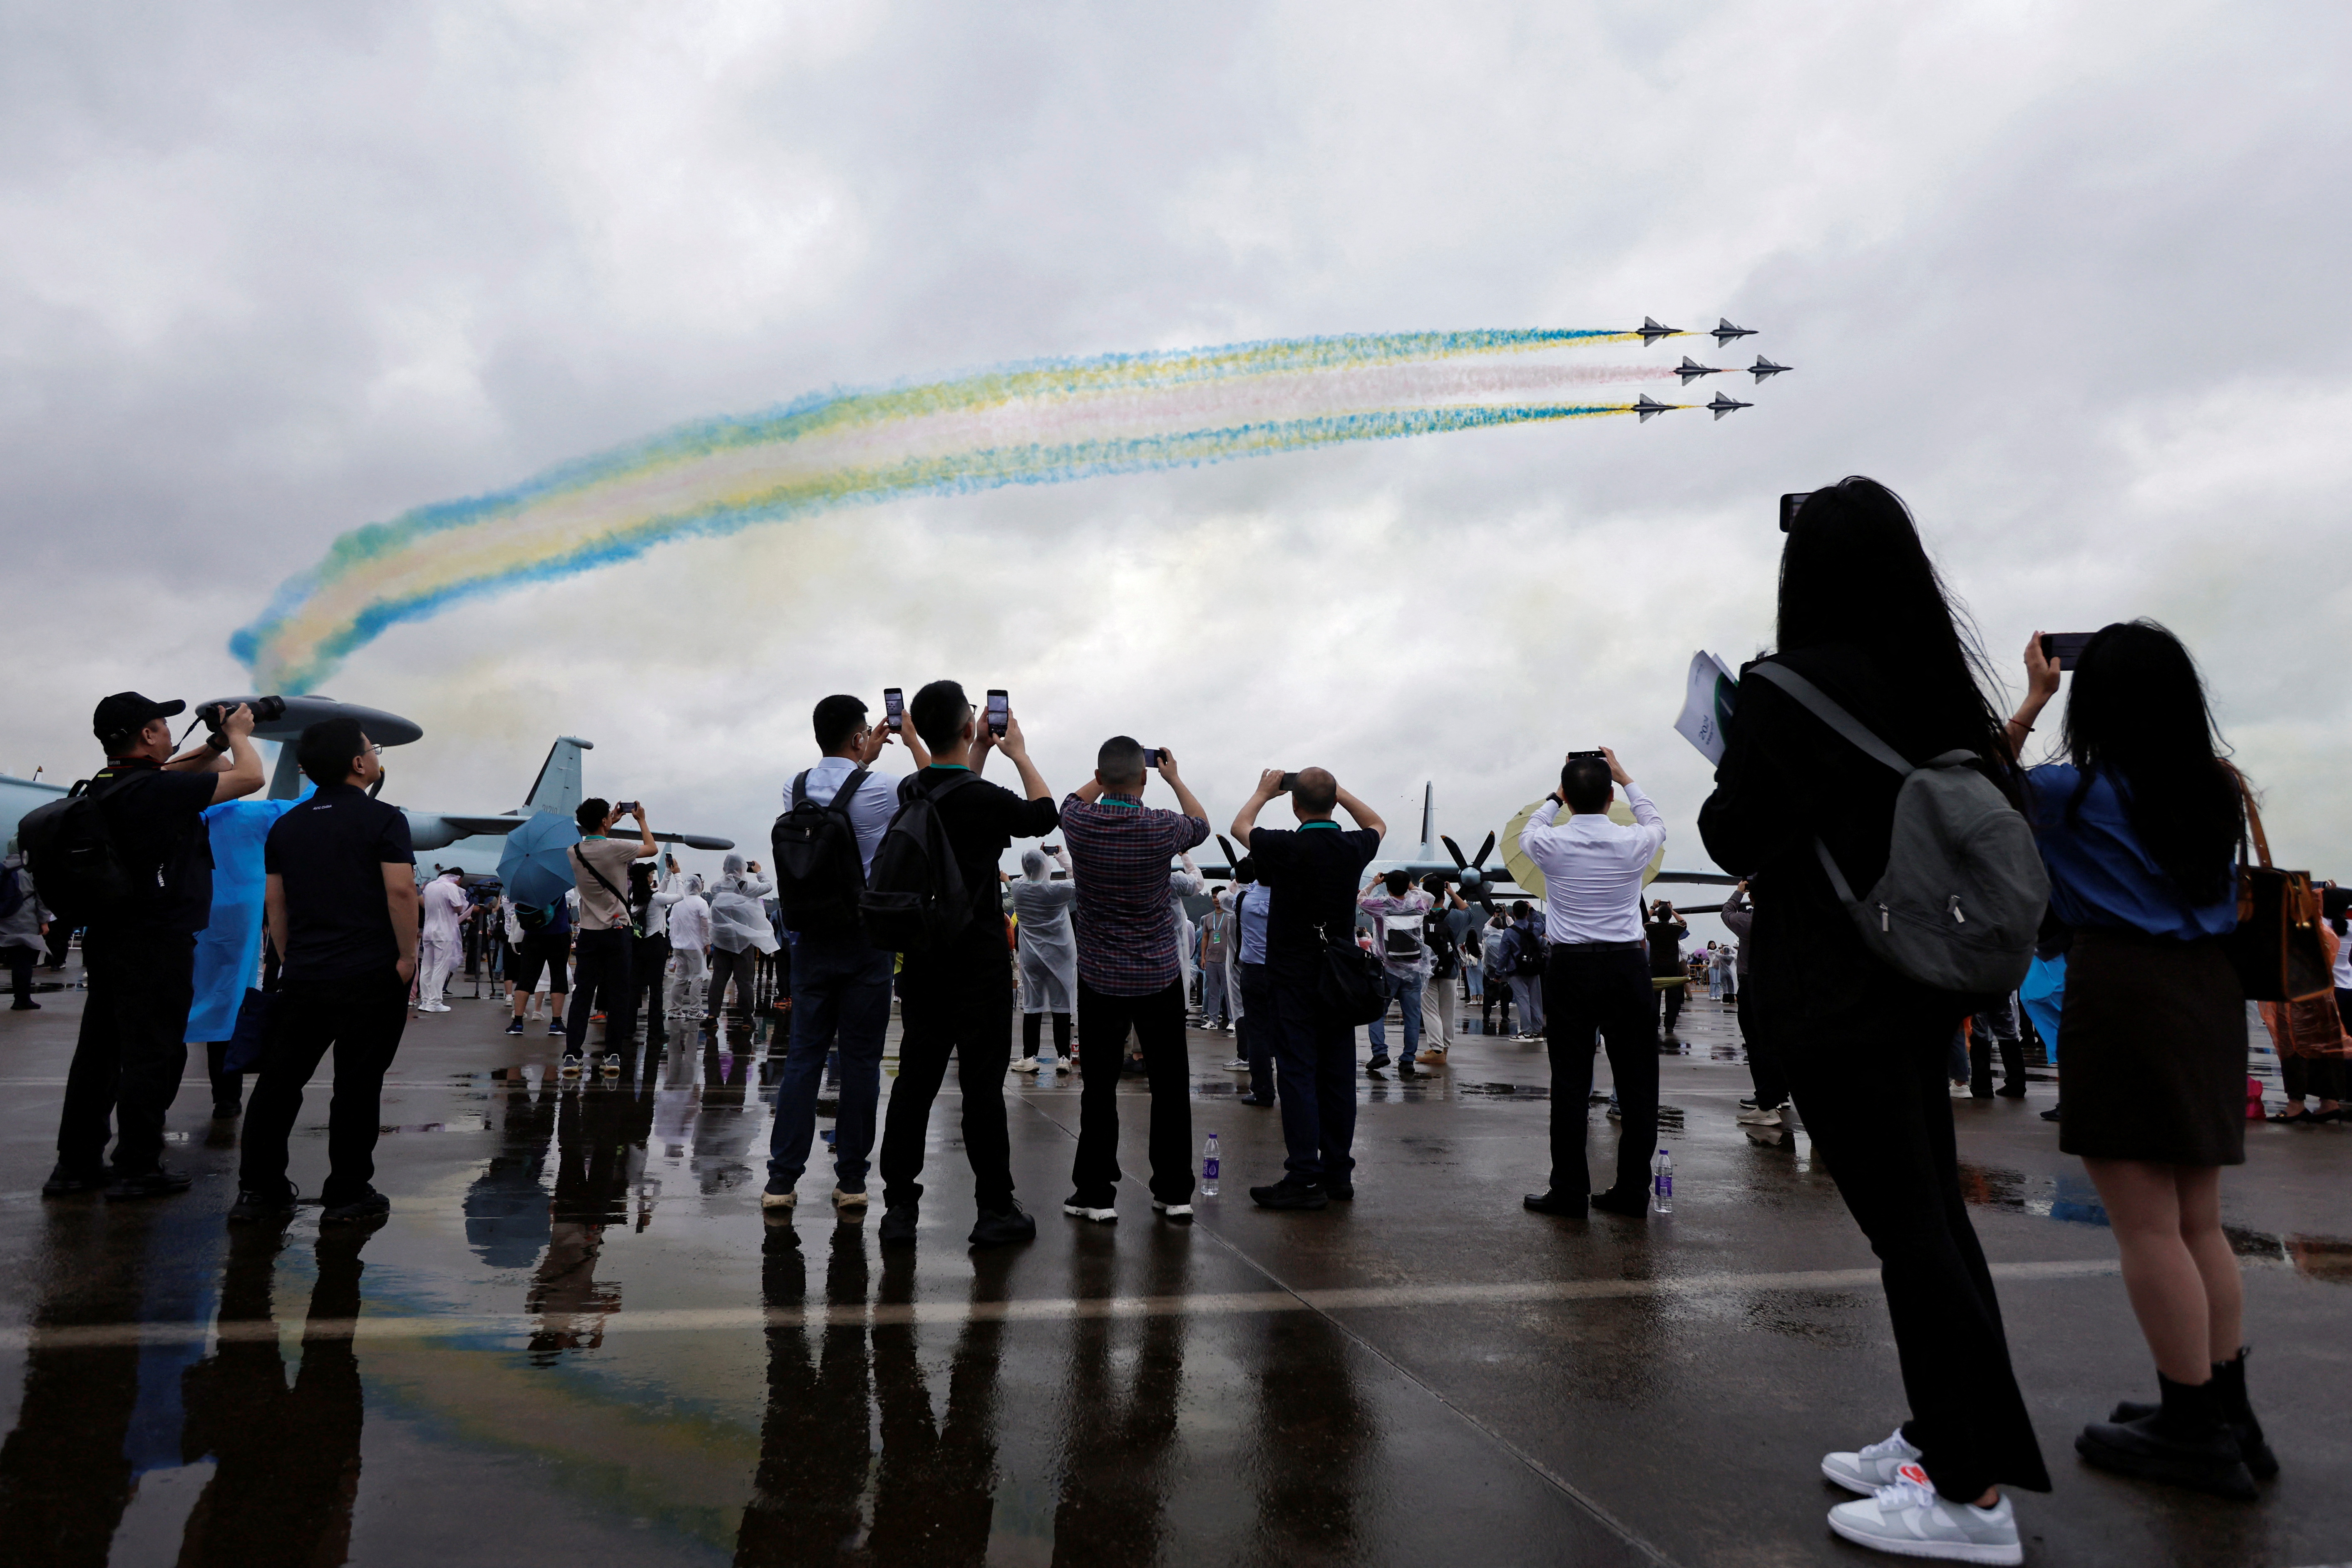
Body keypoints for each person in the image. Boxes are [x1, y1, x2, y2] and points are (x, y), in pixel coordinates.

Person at [1699, 477, 2047, 1562]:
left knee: (1909, 1232)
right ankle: (1947, 1433)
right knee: (1930, 1213)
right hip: (1919, 978)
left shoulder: (1783, 687)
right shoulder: (1934, 679)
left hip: (1836, 985)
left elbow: (1730, 832)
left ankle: (1966, 1492)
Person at [2009, 620, 2270, 1499]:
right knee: (2198, 1220)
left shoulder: (2066, 791)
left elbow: (1970, 782)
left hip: (2121, 987)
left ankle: (2189, 1422)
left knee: (2145, 1226)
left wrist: (2034, 696)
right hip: (2205, 993)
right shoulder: (2215, 788)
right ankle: (2224, 1409)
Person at [45, 693, 265, 1199]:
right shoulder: (157, 792)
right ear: (146, 735)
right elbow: (249, 777)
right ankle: (138, 1165)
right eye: (162, 726)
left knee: (98, 1053)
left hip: (111, 936)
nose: (169, 733)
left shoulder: (105, 785)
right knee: (152, 1053)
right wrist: (238, 737)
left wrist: (211, 740)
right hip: (156, 940)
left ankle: (75, 1165)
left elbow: (173, 768)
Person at [875, 681, 1059, 1249]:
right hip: (977, 958)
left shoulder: (910, 788)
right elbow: (1043, 815)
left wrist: (970, 748)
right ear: (966, 727)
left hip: (924, 956)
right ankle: (993, 1208)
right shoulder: (984, 800)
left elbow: (947, 785)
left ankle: (900, 1207)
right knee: (981, 1086)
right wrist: (1017, 750)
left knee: (915, 1081)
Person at [231, 716, 417, 1225]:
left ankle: (259, 1189)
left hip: (306, 975)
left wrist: (293, 959)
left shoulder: (286, 824)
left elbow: (277, 902)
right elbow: (400, 891)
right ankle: (347, 1192)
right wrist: (407, 957)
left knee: (278, 1083)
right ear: (359, 764)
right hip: (371, 974)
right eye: (371, 748)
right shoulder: (385, 819)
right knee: (357, 1085)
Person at [1058, 738, 1212, 1224]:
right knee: (1170, 1085)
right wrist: (1171, 777)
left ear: (1100, 778)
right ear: (1143, 780)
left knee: (1098, 1088)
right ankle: (1173, 1190)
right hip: (1158, 973)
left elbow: (1071, 801)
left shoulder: (1079, 823)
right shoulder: (1163, 826)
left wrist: (1103, 778)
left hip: (1101, 976)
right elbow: (1202, 824)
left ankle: (1096, 1192)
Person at [764, 694, 907, 1215]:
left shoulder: (793, 787)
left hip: (810, 940)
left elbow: (835, 792)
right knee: (861, 1061)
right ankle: (850, 1178)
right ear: (858, 736)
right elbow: (915, 798)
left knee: (804, 1056)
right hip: (866, 937)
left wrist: (857, 754)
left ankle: (781, 1180)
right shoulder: (883, 789)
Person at [1516, 748, 1667, 1220]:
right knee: (1638, 1082)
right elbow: (1654, 819)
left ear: (1567, 797)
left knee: (1569, 1082)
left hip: (1571, 968)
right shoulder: (1635, 842)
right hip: (1626, 966)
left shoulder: (1548, 844)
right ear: (1608, 797)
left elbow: (1530, 829)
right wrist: (1625, 777)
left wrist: (1554, 796)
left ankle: (1567, 1190)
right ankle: (1632, 1190)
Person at [1232, 767, 1385, 1210]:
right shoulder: (1351, 846)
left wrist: (1263, 791)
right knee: (1338, 1073)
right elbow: (1377, 823)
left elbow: (1240, 826)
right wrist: (1339, 793)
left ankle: (1303, 1174)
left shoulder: (1284, 845)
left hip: (1291, 977)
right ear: (1334, 804)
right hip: (1337, 977)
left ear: (1295, 805)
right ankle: (1338, 1172)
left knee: (1298, 1072)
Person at [564, 799, 655, 1077]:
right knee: (618, 994)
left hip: (589, 933)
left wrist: (606, 823)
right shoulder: (617, 848)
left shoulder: (574, 851)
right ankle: (612, 1055)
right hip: (617, 931)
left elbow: (596, 840)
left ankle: (572, 1055)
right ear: (605, 820)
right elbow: (651, 848)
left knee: (582, 994)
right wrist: (640, 819)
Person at [1720, 882, 1790, 1127]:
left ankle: (1767, 1105)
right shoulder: (1786, 916)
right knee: (1775, 1042)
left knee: (1756, 1043)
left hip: (1754, 984)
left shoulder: (1752, 922)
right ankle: (1779, 1096)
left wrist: (1739, 891)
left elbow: (1727, 913)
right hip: (1780, 984)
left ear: (1752, 895)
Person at [1358, 870, 1434, 1075]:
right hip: (1413, 968)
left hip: (1388, 969)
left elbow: (1361, 899)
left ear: (1388, 887)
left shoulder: (1383, 906)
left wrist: (1373, 884)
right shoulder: (1419, 905)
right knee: (1412, 1017)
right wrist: (1411, 886)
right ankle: (1408, 1059)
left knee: (1377, 1013)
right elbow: (1430, 897)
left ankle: (1380, 1053)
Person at [1009, 845, 1077, 1071]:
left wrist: (1035, 862)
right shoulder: (1059, 891)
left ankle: (1029, 1057)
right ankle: (1064, 1058)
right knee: (1062, 1005)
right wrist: (1061, 856)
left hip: (1032, 957)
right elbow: (1078, 879)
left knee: (1032, 1006)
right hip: (1060, 956)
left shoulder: (1018, 888)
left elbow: (1025, 876)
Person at [705, 852, 778, 1026]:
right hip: (743, 943)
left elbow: (725, 890)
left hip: (722, 942)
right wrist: (759, 871)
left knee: (719, 979)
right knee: (744, 982)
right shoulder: (747, 887)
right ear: (742, 869)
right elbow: (768, 886)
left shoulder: (716, 887)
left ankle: (713, 1016)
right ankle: (747, 1019)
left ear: (724, 869)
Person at [1229, 857, 1277, 1105]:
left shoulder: (1243, 900)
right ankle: (1293, 1092)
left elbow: (1240, 886)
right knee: (1288, 1032)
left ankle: (1263, 1091)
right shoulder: (1288, 900)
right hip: (1283, 973)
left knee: (1256, 1034)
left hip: (1254, 972)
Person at [505, 880, 572, 1038]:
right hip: (559, 934)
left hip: (533, 935)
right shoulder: (558, 882)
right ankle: (556, 1023)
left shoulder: (525, 884)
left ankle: (518, 1023)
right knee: (558, 977)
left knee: (526, 978)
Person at [415, 868, 474, 1014]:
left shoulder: (430, 886)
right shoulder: (451, 887)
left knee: (427, 967)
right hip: (444, 932)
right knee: (441, 967)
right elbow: (458, 908)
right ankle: (435, 1002)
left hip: (429, 930)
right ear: (458, 878)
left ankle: (425, 1000)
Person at [2, 848, 52, 1009]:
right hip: (25, 922)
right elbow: (42, 898)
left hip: (3, 921)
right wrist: (44, 921)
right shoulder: (31, 870)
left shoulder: (2, 867)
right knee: (22, 963)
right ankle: (22, 1000)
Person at [666, 875, 712, 1018]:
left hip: (679, 945)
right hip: (695, 946)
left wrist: (674, 943)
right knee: (697, 977)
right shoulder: (701, 903)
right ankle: (694, 1010)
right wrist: (707, 943)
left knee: (680, 978)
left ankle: (675, 1009)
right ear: (699, 886)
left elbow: (672, 924)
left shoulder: (678, 903)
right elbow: (705, 926)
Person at [1646, 899, 1689, 1043]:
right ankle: (1670, 1025)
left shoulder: (1652, 927)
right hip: (1672, 966)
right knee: (1673, 997)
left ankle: (1654, 1022)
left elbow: (1644, 920)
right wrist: (1672, 910)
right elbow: (1683, 922)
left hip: (1656, 965)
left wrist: (1653, 907)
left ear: (1658, 916)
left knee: (1654, 997)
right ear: (1670, 916)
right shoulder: (1675, 929)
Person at [1505, 900, 1546, 1040]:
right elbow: (1542, 923)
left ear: (1514, 914)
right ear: (1527, 913)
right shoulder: (1535, 928)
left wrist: (1498, 973)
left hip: (1516, 970)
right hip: (1534, 968)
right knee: (1536, 1001)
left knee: (1523, 1000)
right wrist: (1533, 910)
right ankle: (1537, 1031)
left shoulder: (1509, 932)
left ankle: (1526, 1032)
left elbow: (1503, 954)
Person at [1197, 887, 1236, 1030]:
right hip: (1212, 959)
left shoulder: (1231, 916)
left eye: (1219, 897)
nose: (1216, 900)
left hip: (1227, 960)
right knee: (1213, 991)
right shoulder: (1208, 918)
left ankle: (1233, 1020)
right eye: (1214, 897)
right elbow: (1205, 938)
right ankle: (1212, 1019)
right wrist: (1203, 957)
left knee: (1229, 992)